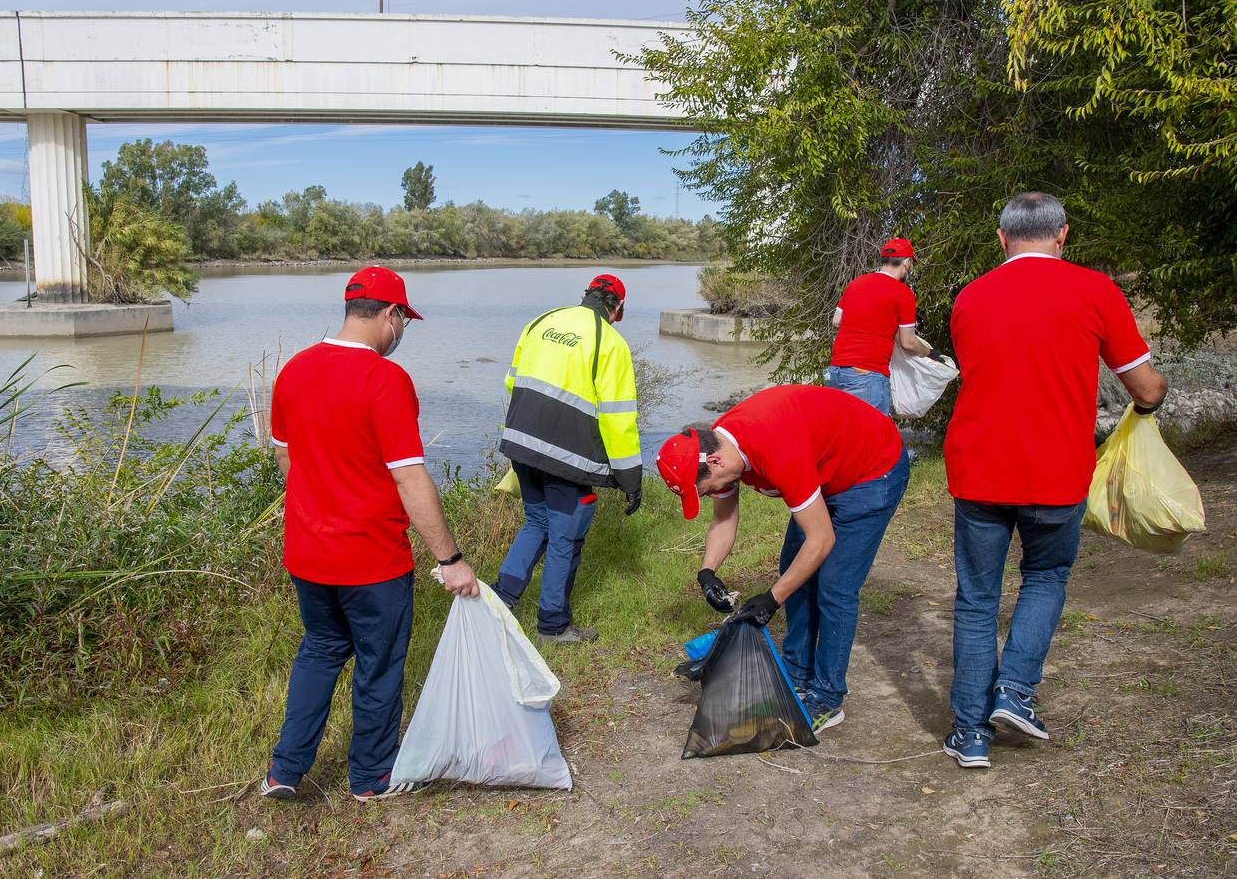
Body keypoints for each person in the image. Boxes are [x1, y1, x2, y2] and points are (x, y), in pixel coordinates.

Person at [941, 193, 1168, 769]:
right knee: (1045, 575)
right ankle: (1015, 690)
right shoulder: (1095, 290)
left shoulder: (968, 298)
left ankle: (969, 732)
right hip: (1056, 470)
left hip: (979, 468)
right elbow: (1147, 390)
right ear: (1062, 235)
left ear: (1002, 239)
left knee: (976, 600)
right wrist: (1140, 417)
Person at [260, 265, 482, 803]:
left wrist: (319, 506)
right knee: (379, 667)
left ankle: (284, 772)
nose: (402, 332)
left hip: (308, 553)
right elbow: (408, 475)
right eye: (404, 320)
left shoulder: (294, 370)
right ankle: (371, 779)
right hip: (371, 560)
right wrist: (450, 558)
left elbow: (286, 454)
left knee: (319, 650)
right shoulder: (384, 379)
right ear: (391, 314)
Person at [656, 385, 910, 731]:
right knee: (794, 570)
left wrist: (772, 598)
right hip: (822, 470)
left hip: (870, 469)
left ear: (714, 463)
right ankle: (797, 673)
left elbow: (821, 539)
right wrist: (707, 572)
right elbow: (724, 519)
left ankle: (827, 697)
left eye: (709, 488)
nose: (714, 494)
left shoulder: (774, 448)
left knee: (835, 586)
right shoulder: (722, 449)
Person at [494, 274, 642, 643]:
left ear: (586, 296)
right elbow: (618, 417)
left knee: (535, 524)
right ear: (618, 308)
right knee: (564, 537)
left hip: (520, 444)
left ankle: (497, 607)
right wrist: (631, 479)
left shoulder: (541, 322)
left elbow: (512, 382)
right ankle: (553, 626)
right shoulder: (610, 341)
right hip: (567, 457)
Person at [828, 237, 934, 414]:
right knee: (873, 439)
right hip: (867, 375)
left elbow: (836, 321)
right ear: (907, 263)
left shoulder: (856, 284)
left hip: (836, 371)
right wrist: (928, 353)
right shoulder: (903, 292)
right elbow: (907, 342)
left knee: (845, 436)